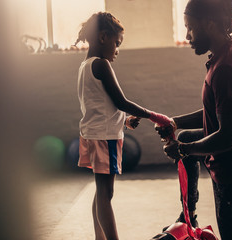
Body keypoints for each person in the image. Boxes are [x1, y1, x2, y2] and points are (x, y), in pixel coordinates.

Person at [156, 0, 232, 239]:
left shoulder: (227, 68)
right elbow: (219, 112)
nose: (187, 36)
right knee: (186, 136)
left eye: (190, 27)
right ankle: (190, 212)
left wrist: (184, 149)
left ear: (208, 24)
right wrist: (176, 123)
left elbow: (229, 137)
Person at [75, 12, 172, 240]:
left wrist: (125, 121)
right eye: (116, 43)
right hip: (104, 138)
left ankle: (100, 237)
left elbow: (101, 106)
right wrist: (154, 116)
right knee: (106, 194)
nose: (117, 49)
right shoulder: (101, 65)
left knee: (101, 192)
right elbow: (121, 102)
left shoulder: (85, 66)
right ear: (102, 37)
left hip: (93, 134)